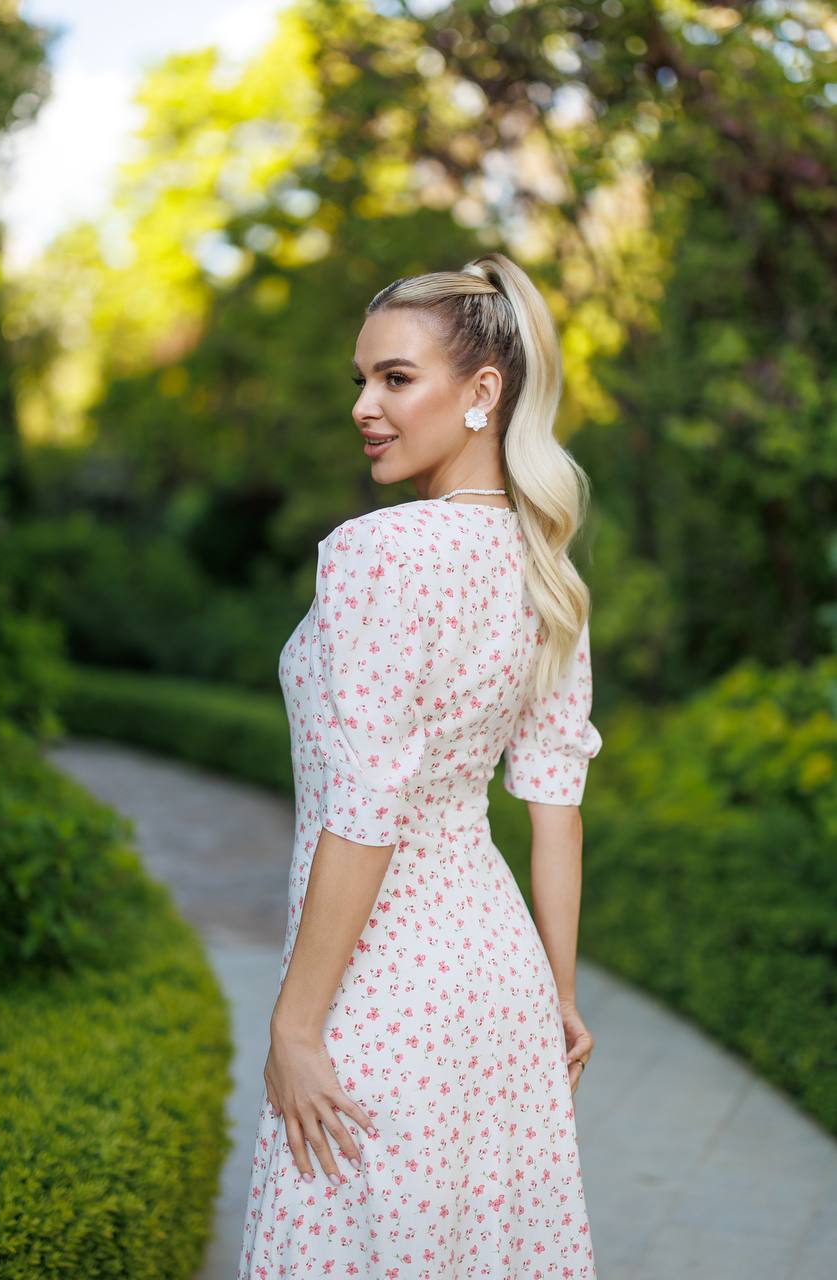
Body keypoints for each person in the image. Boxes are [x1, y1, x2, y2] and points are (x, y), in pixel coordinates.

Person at [237, 252, 603, 1279]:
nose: (364, 405)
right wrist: (559, 997)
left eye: (395, 378)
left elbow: (366, 809)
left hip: (381, 986)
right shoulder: (545, 568)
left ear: (483, 391)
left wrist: (296, 1023)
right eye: (361, 379)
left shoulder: (378, 552)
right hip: (503, 988)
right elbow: (555, 803)